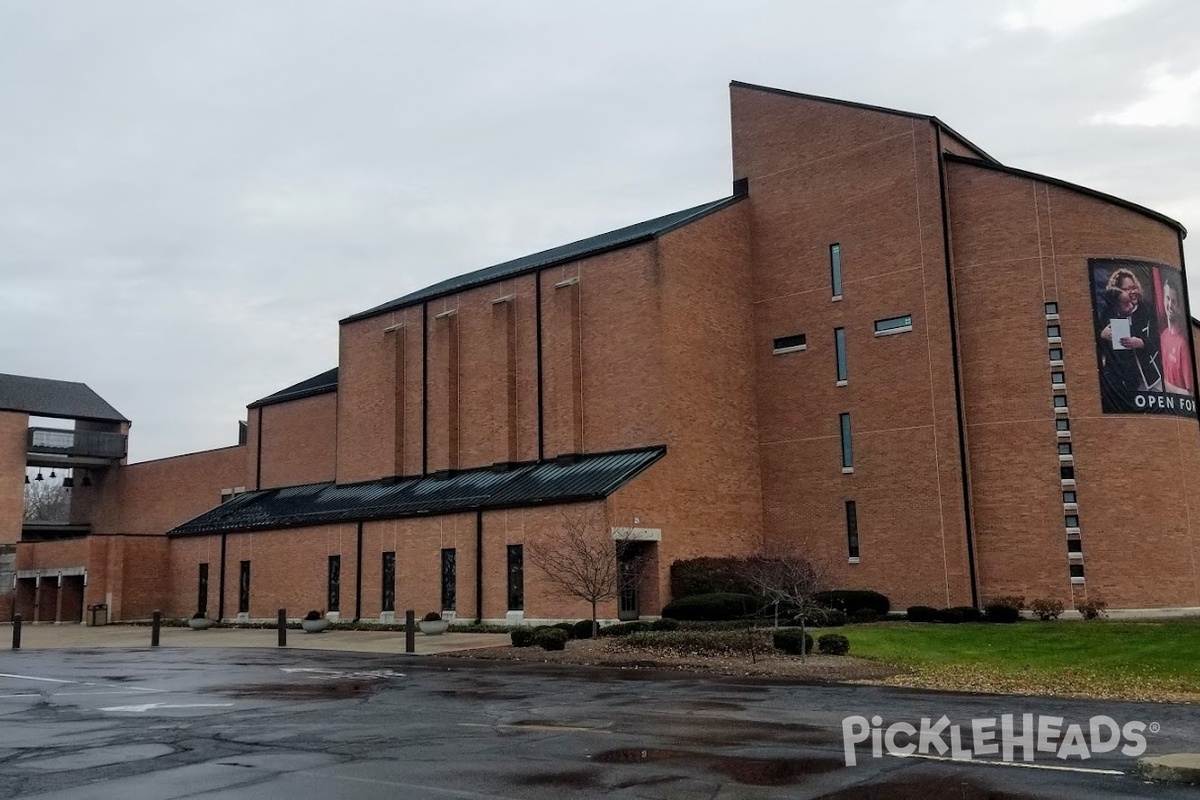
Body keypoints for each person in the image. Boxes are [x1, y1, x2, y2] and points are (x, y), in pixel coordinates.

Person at [1159, 277, 1193, 396]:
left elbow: (1190, 394)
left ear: (1179, 307)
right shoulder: (1163, 336)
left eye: (1173, 301)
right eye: (1167, 299)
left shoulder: (1182, 344)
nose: (1169, 305)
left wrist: (1166, 386)